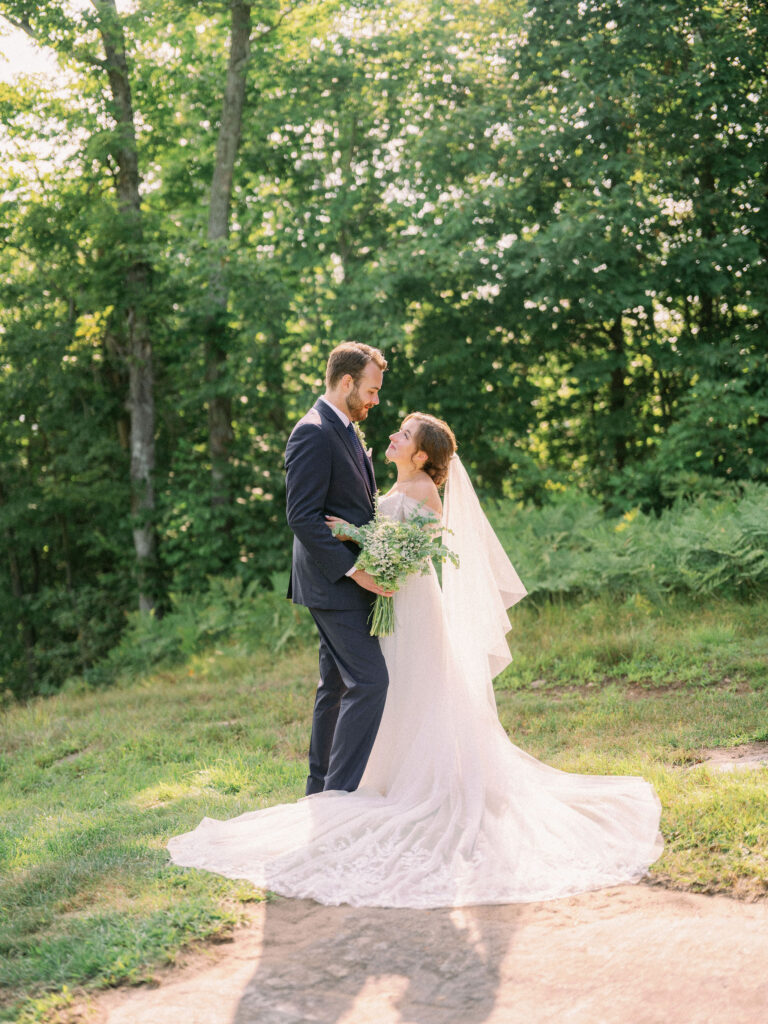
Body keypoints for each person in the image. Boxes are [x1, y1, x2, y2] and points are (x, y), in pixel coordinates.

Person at [168, 412, 663, 908]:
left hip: (413, 600)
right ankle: (374, 777)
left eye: (403, 434)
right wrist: (362, 542)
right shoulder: (395, 483)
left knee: (414, 682)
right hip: (388, 599)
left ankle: (414, 781)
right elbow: (389, 539)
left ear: (421, 454)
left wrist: (358, 538)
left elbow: (419, 548)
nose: (392, 435)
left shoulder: (425, 490)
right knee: (387, 684)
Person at [284, 342, 391, 795]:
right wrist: (354, 571)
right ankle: (339, 797)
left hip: (349, 577)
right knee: (370, 681)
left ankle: (319, 790)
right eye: (371, 390)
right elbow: (302, 516)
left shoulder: (345, 427)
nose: (375, 400)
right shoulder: (312, 431)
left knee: (336, 685)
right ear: (346, 382)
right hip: (333, 583)